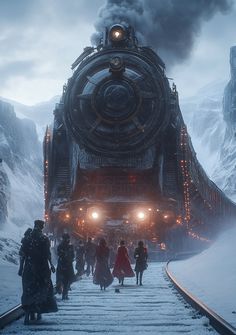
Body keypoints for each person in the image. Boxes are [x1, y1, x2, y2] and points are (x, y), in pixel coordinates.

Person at [19, 220, 57, 325]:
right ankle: (38, 312)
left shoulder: (27, 239)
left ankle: (27, 315)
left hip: (29, 268)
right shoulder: (44, 239)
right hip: (41, 268)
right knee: (41, 289)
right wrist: (51, 265)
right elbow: (47, 254)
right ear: (41, 227)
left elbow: (22, 254)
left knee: (28, 291)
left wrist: (21, 268)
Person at [56, 233, 75, 300]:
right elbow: (73, 255)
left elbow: (58, 254)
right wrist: (69, 258)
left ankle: (63, 292)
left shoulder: (60, 246)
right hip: (67, 265)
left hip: (62, 264)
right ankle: (64, 294)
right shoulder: (69, 246)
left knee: (62, 279)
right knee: (66, 280)